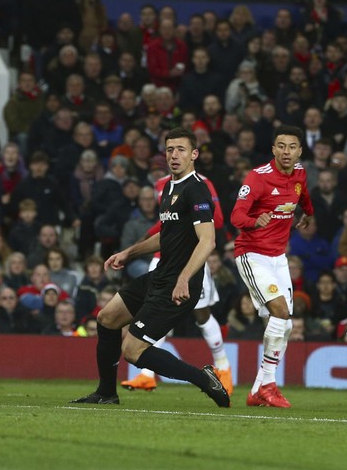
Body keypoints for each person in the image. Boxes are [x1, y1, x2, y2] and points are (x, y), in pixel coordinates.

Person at [71, 127, 229, 408]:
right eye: (169, 150)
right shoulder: (169, 186)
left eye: (181, 149)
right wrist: (129, 252)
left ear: (194, 154)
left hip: (179, 285)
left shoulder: (197, 190)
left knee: (132, 350)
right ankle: (106, 393)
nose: (174, 155)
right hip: (160, 276)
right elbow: (165, 235)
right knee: (107, 318)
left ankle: (205, 379)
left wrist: (183, 278)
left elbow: (208, 241)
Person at [231, 125, 314, 409]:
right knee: (280, 311)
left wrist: (308, 214)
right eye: (281, 146)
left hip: (279, 258)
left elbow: (302, 195)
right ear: (273, 150)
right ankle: (268, 385)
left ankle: (257, 390)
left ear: (299, 150)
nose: (286, 151)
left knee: (286, 324)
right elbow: (236, 215)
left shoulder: (300, 173)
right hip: (252, 254)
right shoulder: (258, 178)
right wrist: (256, 221)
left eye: (292, 146)